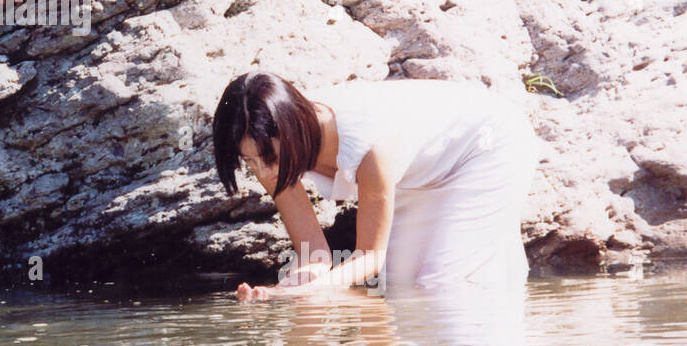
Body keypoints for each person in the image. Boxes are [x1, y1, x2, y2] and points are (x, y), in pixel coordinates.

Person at [210, 73, 538, 299]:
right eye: (248, 161)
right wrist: (289, 290)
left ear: (294, 130)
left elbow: (369, 257)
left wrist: (306, 291)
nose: (263, 171)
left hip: (486, 146)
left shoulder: (366, 140)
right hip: (420, 172)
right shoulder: (265, 150)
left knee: (439, 280)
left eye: (267, 158)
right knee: (401, 286)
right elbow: (314, 253)